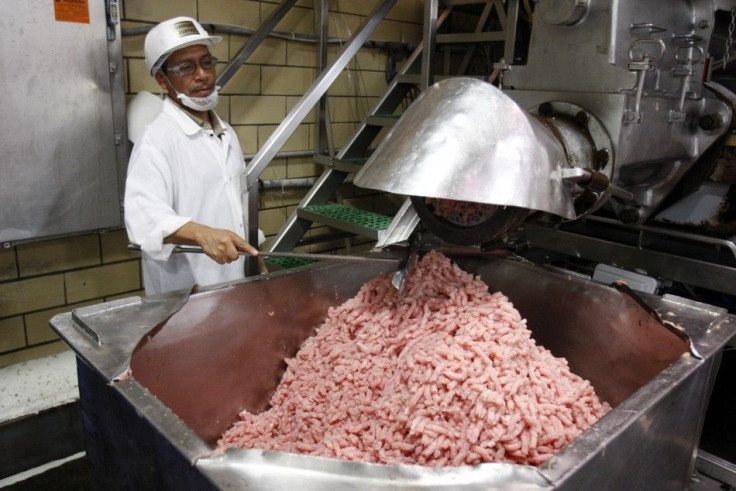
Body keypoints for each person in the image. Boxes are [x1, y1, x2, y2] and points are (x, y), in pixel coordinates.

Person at [125, 16, 263, 295]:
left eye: (206, 62)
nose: (202, 75)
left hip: (236, 281)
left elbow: (237, 207)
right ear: (163, 80)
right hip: (188, 290)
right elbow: (144, 219)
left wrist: (256, 259)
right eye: (186, 68)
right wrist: (201, 233)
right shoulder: (155, 141)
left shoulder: (226, 133)